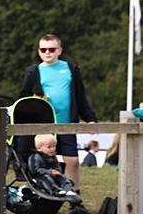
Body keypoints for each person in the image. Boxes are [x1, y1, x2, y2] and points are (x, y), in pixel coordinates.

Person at [19, 33, 97, 191]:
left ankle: (74, 197)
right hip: (43, 127)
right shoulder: (33, 71)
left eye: (51, 49)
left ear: (59, 50)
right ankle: (47, 196)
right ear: (39, 51)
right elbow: (22, 99)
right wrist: (36, 98)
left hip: (66, 123)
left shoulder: (70, 69)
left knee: (73, 161)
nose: (47, 52)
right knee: (43, 164)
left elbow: (80, 97)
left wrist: (90, 118)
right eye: (43, 49)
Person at [28, 134, 82, 203]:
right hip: (41, 176)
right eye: (49, 147)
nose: (52, 149)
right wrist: (50, 172)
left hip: (53, 174)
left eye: (54, 146)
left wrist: (58, 171)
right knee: (47, 179)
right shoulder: (36, 157)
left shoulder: (53, 156)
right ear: (39, 148)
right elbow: (35, 170)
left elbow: (57, 165)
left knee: (63, 178)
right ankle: (55, 190)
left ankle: (69, 190)